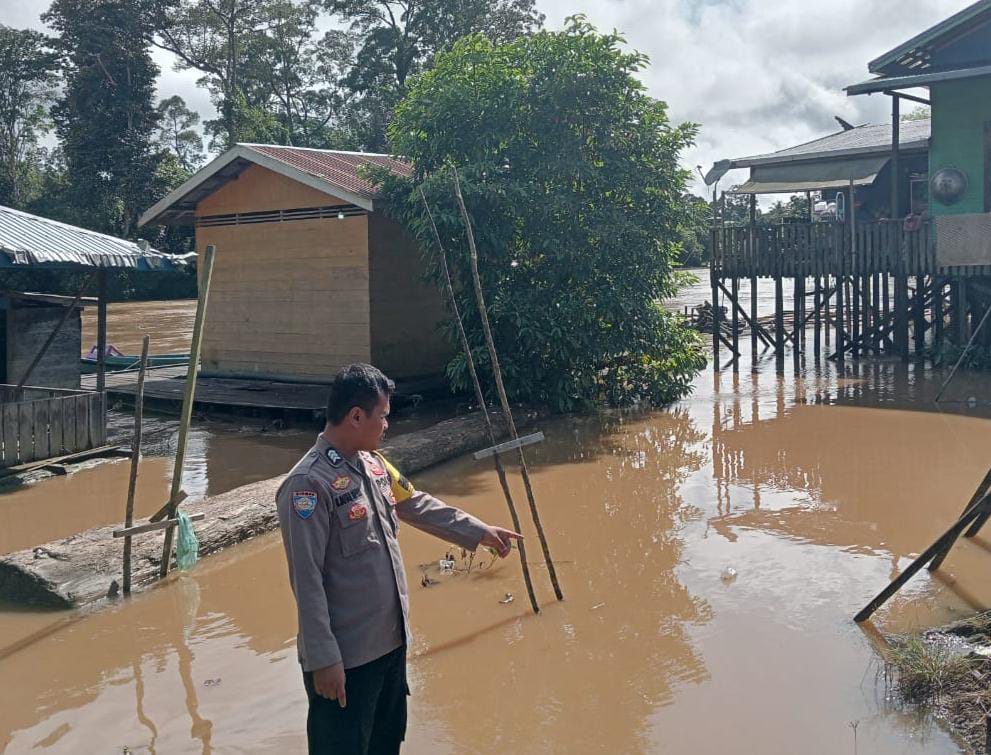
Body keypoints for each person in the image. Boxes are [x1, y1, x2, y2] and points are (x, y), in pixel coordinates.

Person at [275, 363, 523, 755]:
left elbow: (418, 505)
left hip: (391, 646)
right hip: (347, 660)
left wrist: (478, 532)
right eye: (383, 416)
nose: (387, 425)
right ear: (356, 417)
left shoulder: (374, 466)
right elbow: (307, 580)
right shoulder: (308, 485)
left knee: (385, 744)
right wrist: (324, 659)